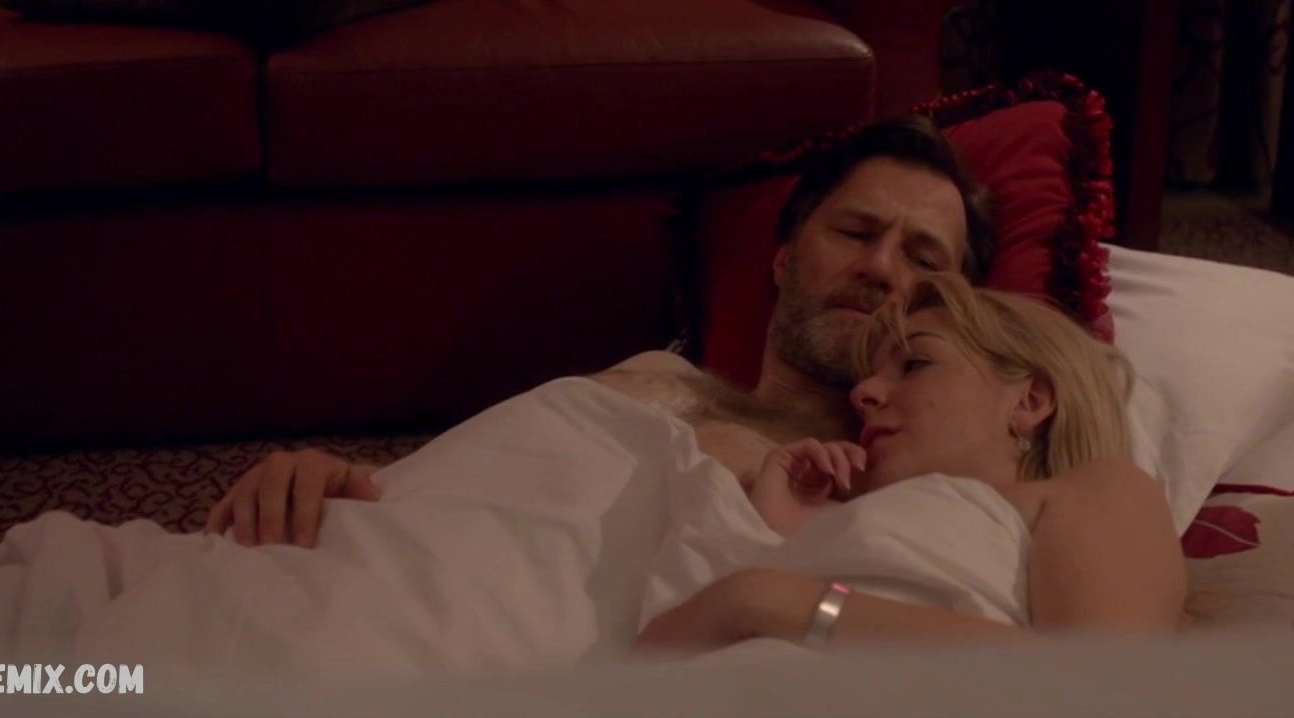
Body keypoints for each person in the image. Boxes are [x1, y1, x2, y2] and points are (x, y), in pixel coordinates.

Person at [205, 114, 1000, 547]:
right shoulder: (654, 375)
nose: (881, 268)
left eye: (922, 258)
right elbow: (447, 486)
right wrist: (328, 474)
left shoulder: (910, 483)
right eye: (856, 232)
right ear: (784, 258)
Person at [634, 273, 1183, 653]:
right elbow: (642, 666)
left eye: (916, 364)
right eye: (867, 379)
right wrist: (785, 536)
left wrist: (773, 600)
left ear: (1030, 401)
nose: (864, 394)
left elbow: (1103, 685)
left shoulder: (1098, 490)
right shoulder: (813, 531)